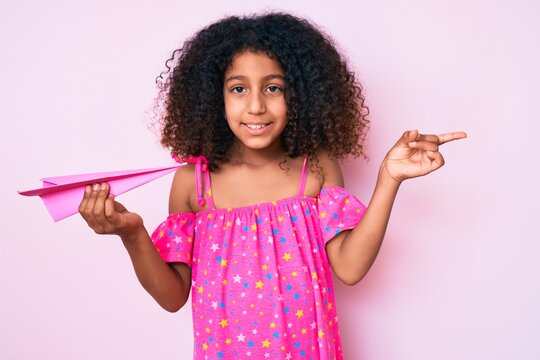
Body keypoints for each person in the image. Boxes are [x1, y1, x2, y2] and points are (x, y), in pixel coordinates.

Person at [78, 12, 466, 360]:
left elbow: (349, 268)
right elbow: (172, 296)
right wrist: (133, 235)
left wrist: (389, 179)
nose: (256, 107)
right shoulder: (192, 184)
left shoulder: (315, 169)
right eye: (238, 88)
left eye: (273, 88)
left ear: (299, 95)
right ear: (214, 98)